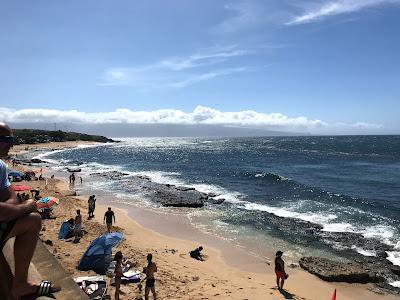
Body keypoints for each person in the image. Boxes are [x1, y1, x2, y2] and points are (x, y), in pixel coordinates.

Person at [0, 122, 60, 298]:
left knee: (31, 217)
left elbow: (10, 197)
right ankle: (20, 285)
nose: (11, 144)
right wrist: (26, 206)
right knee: (33, 219)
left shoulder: (1, 166)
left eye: (12, 139)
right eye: (6, 139)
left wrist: (11, 209)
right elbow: (4, 210)